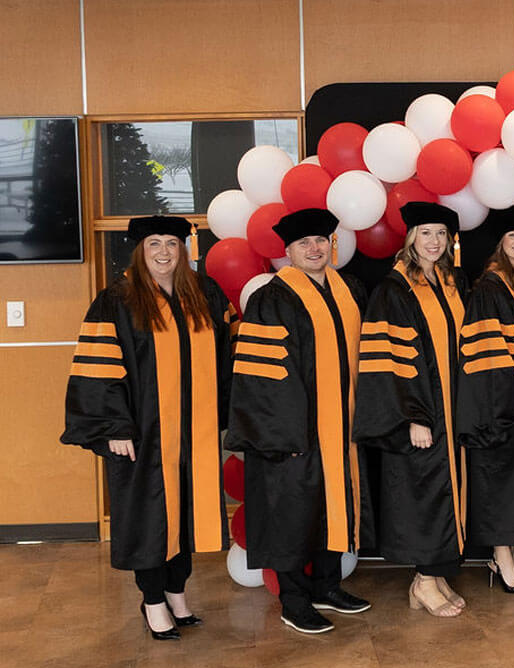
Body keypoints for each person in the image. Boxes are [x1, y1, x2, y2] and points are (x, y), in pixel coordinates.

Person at [62, 215, 232, 640]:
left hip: (194, 433)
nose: (163, 252)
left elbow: (228, 359)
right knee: (150, 517)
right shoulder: (117, 300)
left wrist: (229, 414)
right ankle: (152, 599)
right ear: (140, 251)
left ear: (183, 250)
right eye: (154, 244)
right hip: (144, 436)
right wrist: (114, 426)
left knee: (187, 516)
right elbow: (100, 369)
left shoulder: (206, 294)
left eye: (172, 244)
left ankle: (177, 591)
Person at [226, 208, 370, 635]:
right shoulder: (273, 297)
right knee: (291, 515)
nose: (314, 248)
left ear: (332, 245)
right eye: (304, 243)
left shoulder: (350, 291)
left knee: (331, 510)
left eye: (321, 240)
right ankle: (293, 599)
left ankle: (327, 585)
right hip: (294, 433)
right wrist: (283, 433)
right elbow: (262, 374)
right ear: (287, 251)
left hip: (341, 430)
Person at [352, 201, 470, 617]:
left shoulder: (451, 282)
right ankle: (422, 579)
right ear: (410, 239)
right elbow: (390, 359)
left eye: (441, 234)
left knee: (445, 492)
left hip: (452, 412)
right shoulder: (394, 290)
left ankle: (435, 577)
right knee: (424, 494)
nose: (434, 241)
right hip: (422, 414)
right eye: (425, 233)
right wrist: (413, 416)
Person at [456, 204, 514, 595]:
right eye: (513, 237)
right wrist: (506, 406)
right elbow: (488, 356)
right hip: (499, 407)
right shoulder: (491, 288)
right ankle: (501, 558)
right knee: (500, 485)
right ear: (500, 243)